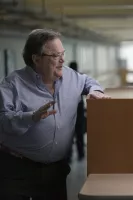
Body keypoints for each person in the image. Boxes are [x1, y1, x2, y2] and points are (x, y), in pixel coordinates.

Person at [0, 29, 110, 200]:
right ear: (36, 59)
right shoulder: (13, 84)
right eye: (55, 55)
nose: (62, 59)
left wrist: (95, 90)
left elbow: (88, 81)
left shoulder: (71, 77)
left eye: (62, 53)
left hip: (55, 172)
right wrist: (31, 117)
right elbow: (3, 120)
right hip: (17, 171)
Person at [68, 61, 86, 161]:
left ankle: (69, 156)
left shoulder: (65, 78)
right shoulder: (80, 78)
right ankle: (81, 154)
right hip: (79, 109)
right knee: (79, 134)